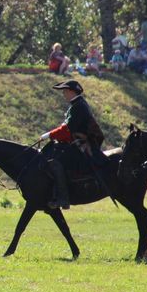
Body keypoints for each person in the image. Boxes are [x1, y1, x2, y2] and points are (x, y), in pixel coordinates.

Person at [39, 80, 105, 209]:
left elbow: (67, 130)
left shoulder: (78, 106)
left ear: (71, 91)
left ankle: (63, 198)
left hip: (81, 145)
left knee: (54, 162)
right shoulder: (76, 105)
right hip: (75, 142)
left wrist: (48, 135)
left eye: (65, 91)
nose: (63, 94)